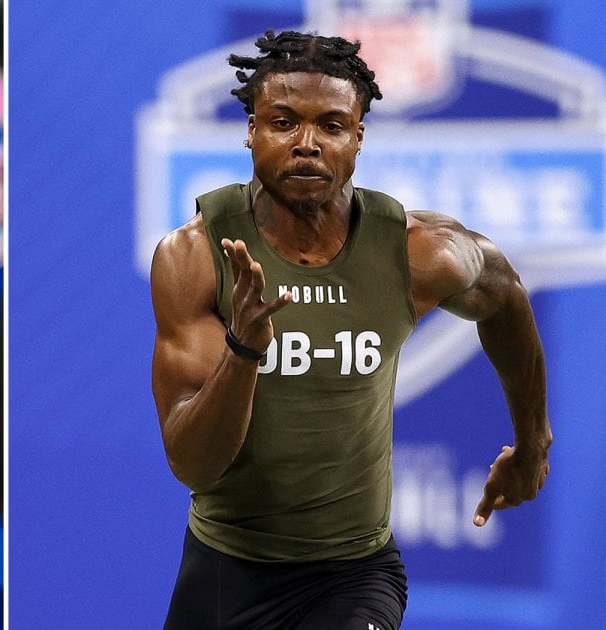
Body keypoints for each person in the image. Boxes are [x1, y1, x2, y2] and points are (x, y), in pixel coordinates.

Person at [150, 30, 552, 630]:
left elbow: (507, 299)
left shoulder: (420, 253)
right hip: (224, 569)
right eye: (283, 123)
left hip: (354, 574)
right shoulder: (196, 257)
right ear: (251, 131)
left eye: (331, 127)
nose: (307, 145)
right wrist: (243, 351)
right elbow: (194, 465)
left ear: (358, 139)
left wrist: (532, 443)